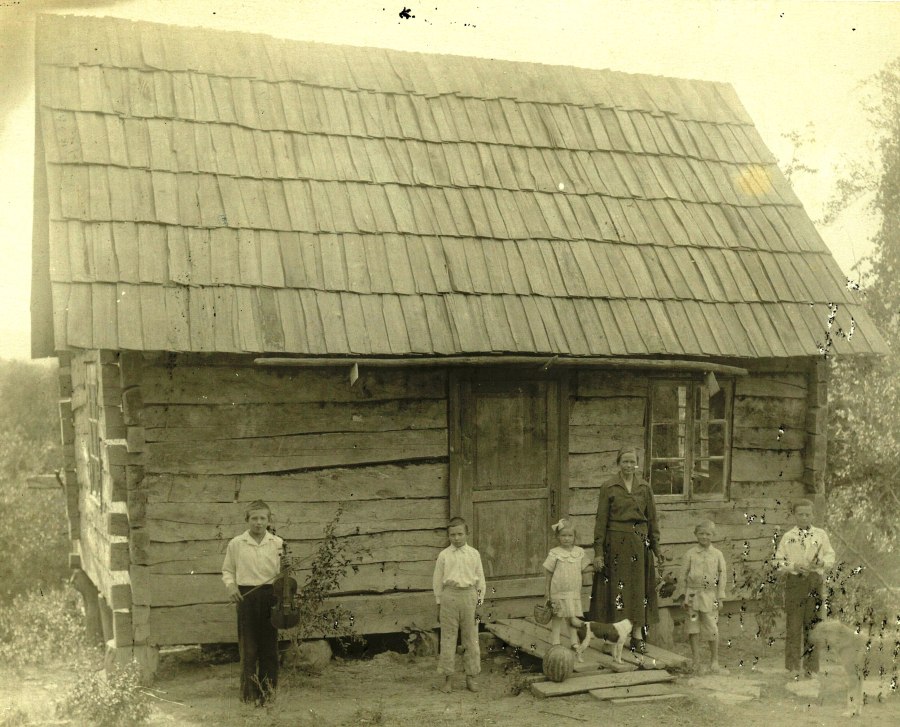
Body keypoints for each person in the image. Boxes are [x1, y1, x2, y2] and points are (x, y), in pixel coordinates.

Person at [589, 447, 664, 652]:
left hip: (639, 546)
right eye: (625, 462)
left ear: (636, 464)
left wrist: (656, 549)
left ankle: (637, 636)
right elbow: (600, 520)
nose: (629, 466)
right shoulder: (609, 487)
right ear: (618, 463)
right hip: (614, 545)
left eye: (632, 462)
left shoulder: (645, 488)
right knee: (615, 590)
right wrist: (598, 551)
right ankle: (611, 637)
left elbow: (652, 520)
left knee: (638, 590)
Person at [222, 500, 284, 704]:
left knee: (269, 648)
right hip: (246, 597)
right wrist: (231, 587)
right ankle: (249, 696)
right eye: (254, 518)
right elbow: (228, 570)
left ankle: (268, 694)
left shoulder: (277, 543)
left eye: (262, 518)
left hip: (271, 597)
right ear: (247, 520)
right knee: (248, 649)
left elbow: (283, 574)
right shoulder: (236, 544)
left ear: (269, 520)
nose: (258, 523)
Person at [774, 499, 835, 677]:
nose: (804, 517)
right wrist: (793, 566)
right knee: (793, 626)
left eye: (807, 514)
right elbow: (777, 561)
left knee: (813, 625)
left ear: (813, 515)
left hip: (814, 581)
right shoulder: (788, 537)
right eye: (800, 514)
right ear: (794, 515)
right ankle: (793, 668)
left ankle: (811, 668)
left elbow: (830, 556)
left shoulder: (821, 535)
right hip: (795, 584)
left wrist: (821, 561)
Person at [432, 516, 486, 693]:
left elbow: (481, 580)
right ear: (448, 536)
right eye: (452, 535)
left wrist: (479, 602)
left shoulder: (474, 554)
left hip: (469, 596)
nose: (456, 538)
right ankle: (448, 680)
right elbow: (437, 581)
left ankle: (471, 678)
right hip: (450, 597)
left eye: (460, 534)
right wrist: (439, 603)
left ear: (467, 534)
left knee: (471, 639)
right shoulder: (444, 555)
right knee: (448, 638)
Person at [682, 520, 727, 674]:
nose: (704, 537)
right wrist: (684, 596)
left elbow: (723, 576)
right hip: (693, 595)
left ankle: (714, 661)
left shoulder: (717, 554)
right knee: (693, 628)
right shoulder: (690, 554)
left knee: (712, 627)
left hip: (710, 596)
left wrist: (720, 597)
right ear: (696, 535)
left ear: (713, 535)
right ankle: (696, 662)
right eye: (701, 533)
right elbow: (682, 575)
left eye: (708, 534)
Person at [543, 519, 593, 655]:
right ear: (558, 537)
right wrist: (547, 591)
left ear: (574, 537)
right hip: (558, 591)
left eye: (570, 536)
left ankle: (574, 641)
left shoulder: (579, 552)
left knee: (571, 616)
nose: (566, 539)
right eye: (563, 535)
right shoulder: (555, 553)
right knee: (558, 616)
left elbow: (585, 568)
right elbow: (548, 573)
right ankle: (555, 641)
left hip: (573, 591)